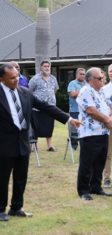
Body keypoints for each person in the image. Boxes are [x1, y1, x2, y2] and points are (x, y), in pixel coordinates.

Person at [0, 63, 82, 222]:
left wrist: (69, 118)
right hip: (4, 144)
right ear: (2, 79)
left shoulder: (25, 93)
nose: (17, 80)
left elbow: (46, 107)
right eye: (12, 78)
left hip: (23, 142)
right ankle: (0, 210)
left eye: (17, 76)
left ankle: (16, 208)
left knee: (21, 177)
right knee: (2, 179)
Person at [76, 67, 112, 200]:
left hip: (104, 131)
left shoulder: (102, 92)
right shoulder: (86, 91)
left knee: (100, 161)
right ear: (90, 79)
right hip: (90, 133)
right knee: (87, 163)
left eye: (102, 78)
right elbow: (91, 110)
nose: (102, 80)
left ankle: (96, 186)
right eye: (99, 78)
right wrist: (107, 120)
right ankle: (83, 190)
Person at [28, 61, 59, 152]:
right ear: (41, 68)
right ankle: (35, 146)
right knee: (36, 126)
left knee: (49, 127)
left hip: (50, 107)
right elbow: (29, 91)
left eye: (48, 66)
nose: (47, 68)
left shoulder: (53, 78)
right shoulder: (35, 79)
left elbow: (55, 90)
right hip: (37, 108)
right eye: (45, 66)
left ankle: (49, 146)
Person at [67, 68, 86, 150]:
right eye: (81, 74)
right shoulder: (72, 83)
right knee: (74, 128)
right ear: (76, 74)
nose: (82, 75)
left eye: (83, 74)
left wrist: (79, 91)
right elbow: (73, 94)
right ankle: (74, 146)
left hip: (85, 110)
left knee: (84, 127)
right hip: (75, 109)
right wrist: (82, 92)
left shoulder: (87, 83)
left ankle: (83, 145)